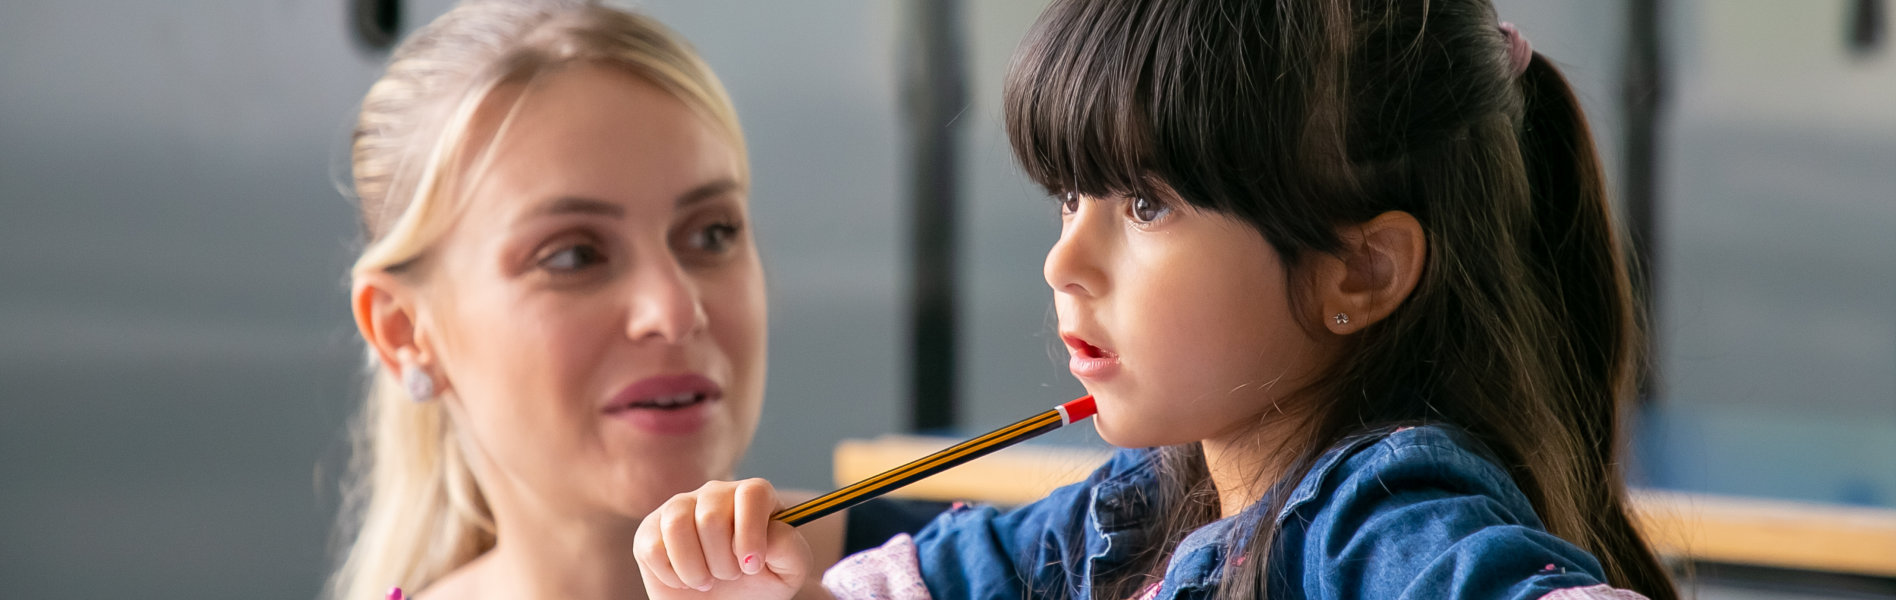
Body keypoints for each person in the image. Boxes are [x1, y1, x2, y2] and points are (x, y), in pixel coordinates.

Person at [631, 0, 1680, 598]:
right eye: (1070, 196)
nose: (1065, 261)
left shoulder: (1372, 514)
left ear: (1355, 273)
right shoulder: (1131, 507)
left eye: (1143, 204)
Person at [325, 2, 938, 598]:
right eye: (572, 256)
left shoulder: (964, 570)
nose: (674, 311)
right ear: (403, 330)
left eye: (711, 234)